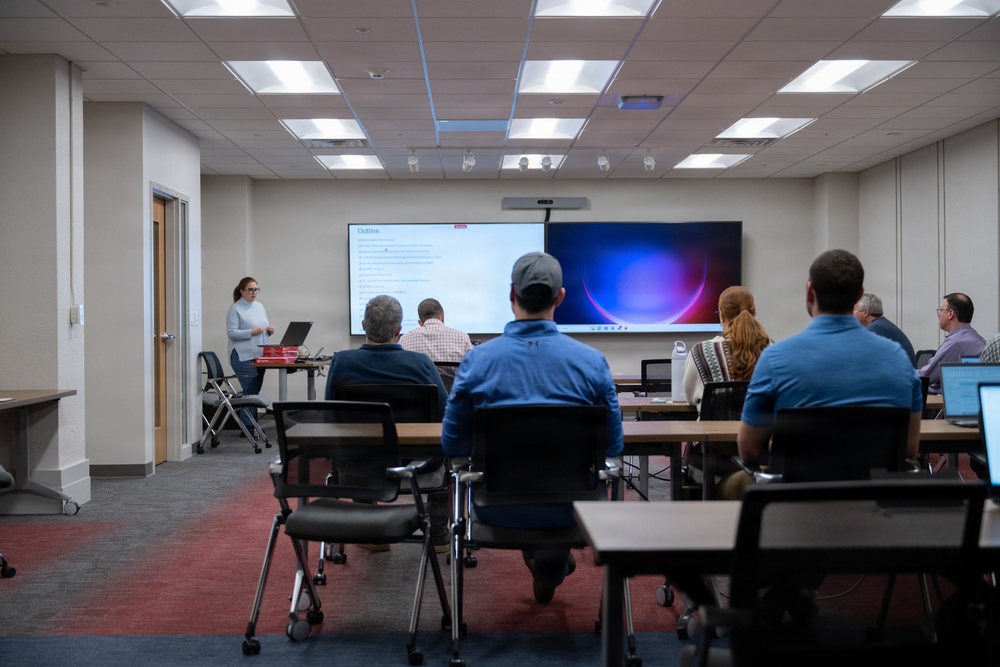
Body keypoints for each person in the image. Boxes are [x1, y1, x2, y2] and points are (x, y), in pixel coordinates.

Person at [736, 249, 923, 626]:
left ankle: (764, 594)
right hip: (874, 507)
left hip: (794, 503)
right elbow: (909, 449)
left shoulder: (778, 358)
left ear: (809, 292)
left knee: (731, 485)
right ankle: (793, 590)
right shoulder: (898, 359)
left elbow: (749, 449)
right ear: (860, 294)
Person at [441, 252, 624, 604]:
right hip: (576, 506)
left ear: (511, 295)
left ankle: (545, 564)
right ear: (560, 297)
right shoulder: (592, 363)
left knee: (527, 484)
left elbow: (452, 445)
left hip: (497, 503)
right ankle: (549, 568)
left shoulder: (477, 362)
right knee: (553, 502)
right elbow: (614, 447)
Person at [324, 294, 449, 552]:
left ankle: (370, 532)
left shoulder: (341, 362)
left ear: (363, 325)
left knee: (353, 453)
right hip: (420, 470)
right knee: (446, 454)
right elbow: (445, 413)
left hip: (361, 469)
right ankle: (438, 534)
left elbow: (331, 418)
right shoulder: (421, 364)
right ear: (399, 330)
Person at [682, 286, 770, 496]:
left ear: (721, 315)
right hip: (761, 454)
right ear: (754, 311)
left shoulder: (701, 352)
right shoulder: (772, 351)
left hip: (711, 457)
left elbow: (691, 399)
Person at [226, 276, 274, 430]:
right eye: (250, 289)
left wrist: (268, 331)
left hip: (259, 354)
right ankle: (248, 428)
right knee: (251, 392)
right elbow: (232, 333)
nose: (254, 292)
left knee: (254, 392)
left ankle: (250, 426)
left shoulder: (259, 306)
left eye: (256, 289)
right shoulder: (235, 308)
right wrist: (252, 331)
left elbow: (261, 328)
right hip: (243, 356)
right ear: (242, 291)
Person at [918, 293, 986, 394]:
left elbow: (925, 376)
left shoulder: (955, 343)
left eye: (941, 310)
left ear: (950, 313)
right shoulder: (979, 340)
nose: (939, 315)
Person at [398, 298, 473, 389]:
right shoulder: (462, 337)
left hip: (418, 401)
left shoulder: (404, 339)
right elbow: (473, 372)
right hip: (454, 399)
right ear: (443, 317)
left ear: (420, 322)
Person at [853, 292, 916, 366]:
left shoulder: (876, 328)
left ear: (866, 312)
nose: (851, 313)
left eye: (855, 309)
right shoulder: (880, 325)